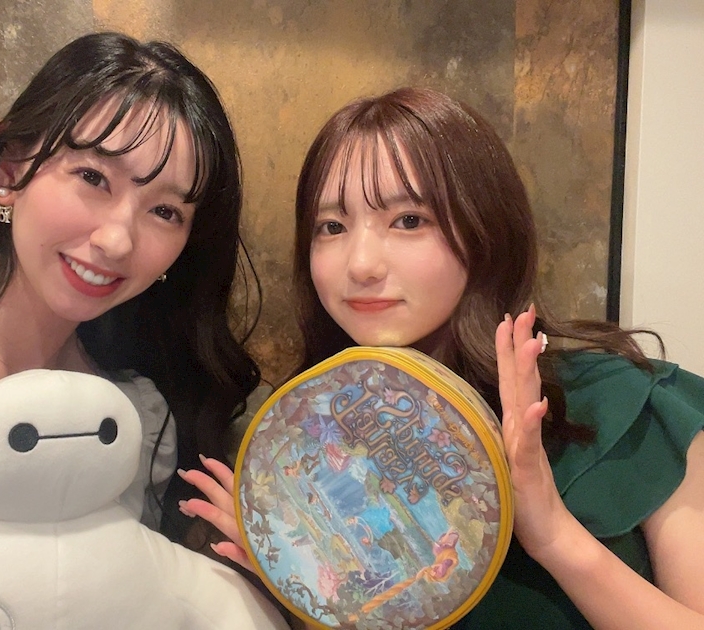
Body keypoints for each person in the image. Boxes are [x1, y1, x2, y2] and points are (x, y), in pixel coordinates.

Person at [180, 87, 704, 629]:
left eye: (408, 220)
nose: (360, 264)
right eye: (332, 226)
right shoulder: (301, 447)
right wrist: (316, 593)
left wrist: (552, 535)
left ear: (485, 232)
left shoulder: (631, 408)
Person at [0, 31, 262, 568]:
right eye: (93, 177)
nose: (117, 240)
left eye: (165, 212)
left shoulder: (137, 425)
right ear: (9, 171)